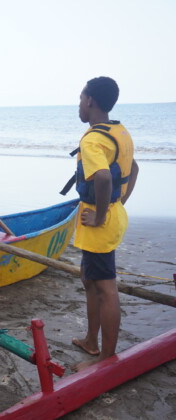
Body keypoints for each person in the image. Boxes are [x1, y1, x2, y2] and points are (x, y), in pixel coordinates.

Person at [66, 77, 139, 370]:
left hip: (99, 222)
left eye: (80, 99)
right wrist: (119, 202)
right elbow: (133, 168)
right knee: (90, 279)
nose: (79, 105)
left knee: (106, 288)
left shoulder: (94, 139)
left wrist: (100, 213)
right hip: (111, 215)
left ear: (90, 101)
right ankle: (90, 341)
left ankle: (107, 359)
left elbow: (105, 177)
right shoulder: (119, 131)